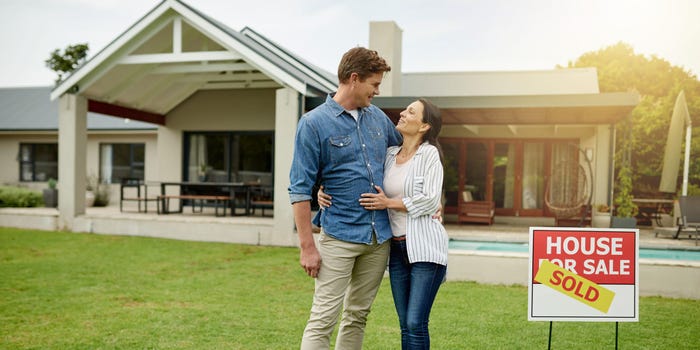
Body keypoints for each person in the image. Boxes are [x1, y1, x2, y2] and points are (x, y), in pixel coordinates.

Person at [288, 46, 401, 350]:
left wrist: (428, 195)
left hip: (379, 239)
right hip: (338, 236)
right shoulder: (313, 123)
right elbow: (299, 189)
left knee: (357, 315)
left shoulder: (378, 119)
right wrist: (307, 247)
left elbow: (405, 158)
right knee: (323, 318)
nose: (377, 91)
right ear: (354, 78)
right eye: (374, 84)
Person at [319, 98, 448, 349]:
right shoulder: (389, 154)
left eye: (411, 112)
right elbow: (357, 170)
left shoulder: (429, 154)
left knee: (415, 322)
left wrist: (387, 203)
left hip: (425, 249)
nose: (402, 113)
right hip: (396, 250)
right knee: (403, 323)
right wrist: (322, 189)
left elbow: (431, 200)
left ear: (424, 126)